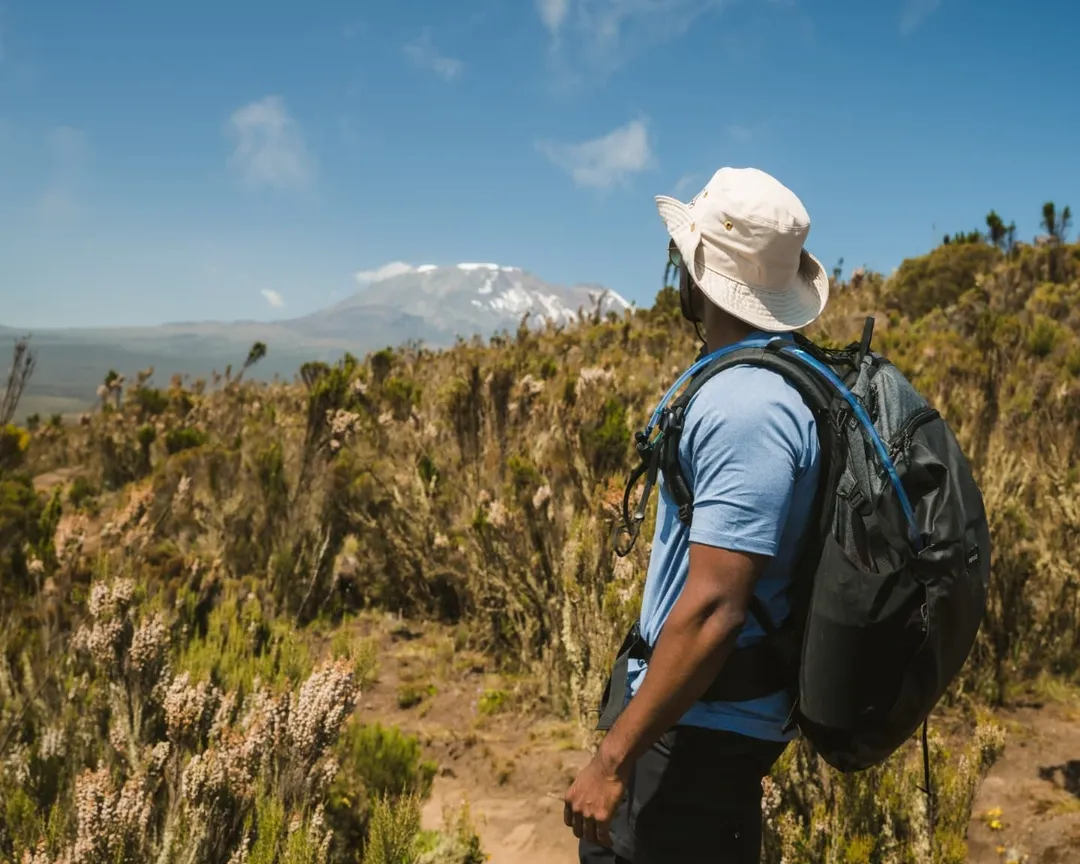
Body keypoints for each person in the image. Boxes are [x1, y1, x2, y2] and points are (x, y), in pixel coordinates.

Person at [564, 166, 831, 864]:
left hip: (698, 728)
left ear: (696, 271)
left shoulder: (747, 405)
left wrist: (615, 758)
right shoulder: (764, 374)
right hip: (703, 718)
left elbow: (716, 607)